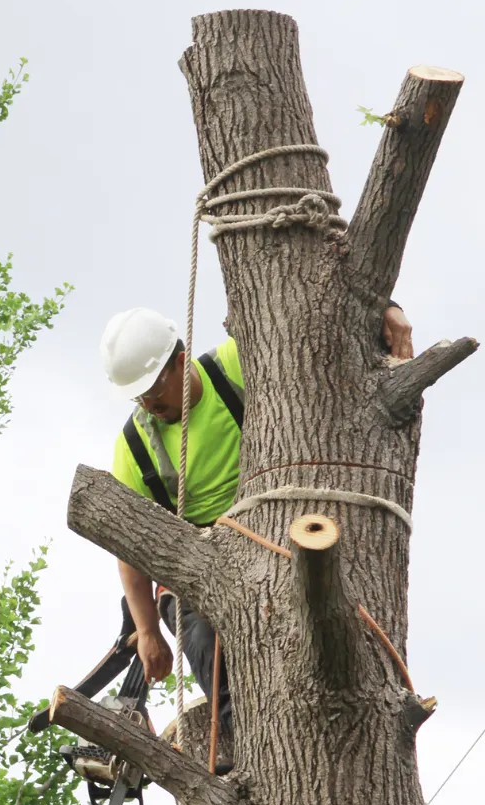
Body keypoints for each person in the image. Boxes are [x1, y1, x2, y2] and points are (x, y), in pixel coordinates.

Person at [100, 304, 414, 742]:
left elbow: (315, 321)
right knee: (208, 645)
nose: (150, 405)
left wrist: (386, 309)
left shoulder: (234, 366)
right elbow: (129, 546)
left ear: (180, 361)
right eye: (140, 398)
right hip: (197, 564)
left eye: (154, 390)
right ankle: (250, 745)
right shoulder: (134, 446)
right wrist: (148, 629)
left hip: (274, 535)